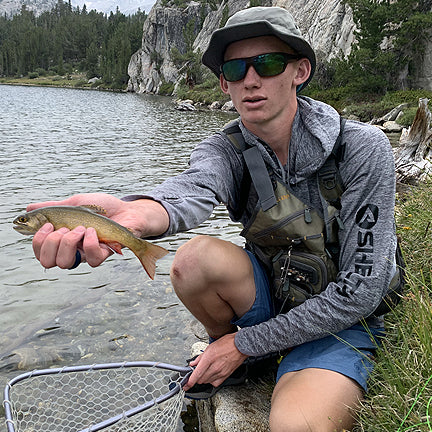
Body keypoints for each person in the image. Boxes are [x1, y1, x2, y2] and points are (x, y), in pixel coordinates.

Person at [27, 6, 398, 432]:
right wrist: (138, 216)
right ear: (224, 83)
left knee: (298, 427)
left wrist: (242, 342)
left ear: (300, 70)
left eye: (269, 63)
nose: (251, 80)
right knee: (193, 260)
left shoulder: (362, 148)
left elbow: (360, 292)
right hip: (277, 295)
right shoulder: (224, 150)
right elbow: (192, 189)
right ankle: (246, 363)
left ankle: (251, 354)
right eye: (237, 69)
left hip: (343, 320)